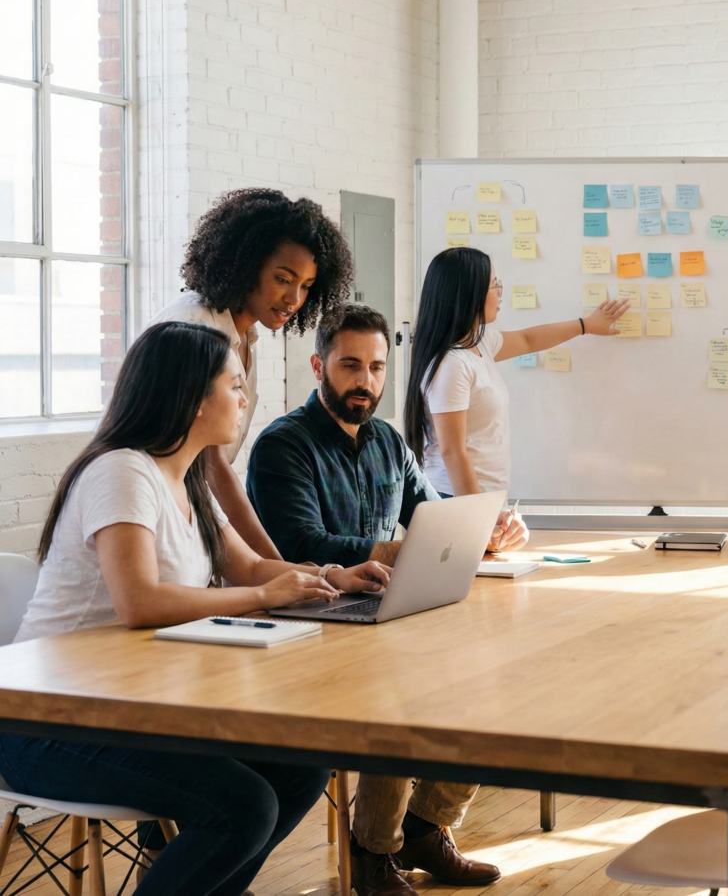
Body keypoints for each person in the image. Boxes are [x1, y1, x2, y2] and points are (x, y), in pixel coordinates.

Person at [0, 322, 389, 896]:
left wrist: (331, 576)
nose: (244, 398)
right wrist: (262, 598)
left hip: (136, 708)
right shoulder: (122, 470)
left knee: (302, 769)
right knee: (244, 806)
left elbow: (252, 567)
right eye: (234, 385)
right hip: (50, 722)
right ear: (192, 396)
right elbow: (140, 602)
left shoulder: (186, 478)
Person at [246, 304, 506, 896]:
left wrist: (484, 533)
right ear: (319, 365)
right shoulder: (282, 446)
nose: (366, 381)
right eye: (350, 365)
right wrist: (390, 551)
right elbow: (297, 543)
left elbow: (431, 517)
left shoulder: (388, 440)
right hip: (309, 624)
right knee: (403, 694)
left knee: (488, 678)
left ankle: (424, 826)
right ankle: (372, 853)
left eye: (377, 367)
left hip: (380, 619)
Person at [151, 187, 352, 560]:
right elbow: (211, 467)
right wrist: (274, 565)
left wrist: (272, 569)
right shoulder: (195, 326)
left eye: (306, 286)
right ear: (246, 266)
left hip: (189, 513)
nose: (294, 298)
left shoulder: (245, 336)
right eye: (282, 278)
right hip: (152, 516)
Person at [404, 247, 629, 522]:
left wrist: (586, 325)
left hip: (479, 497)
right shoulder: (451, 365)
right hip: (456, 500)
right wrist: (480, 515)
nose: (500, 292)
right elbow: (453, 451)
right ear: (470, 294)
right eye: (494, 285)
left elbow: (528, 340)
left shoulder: (478, 345)